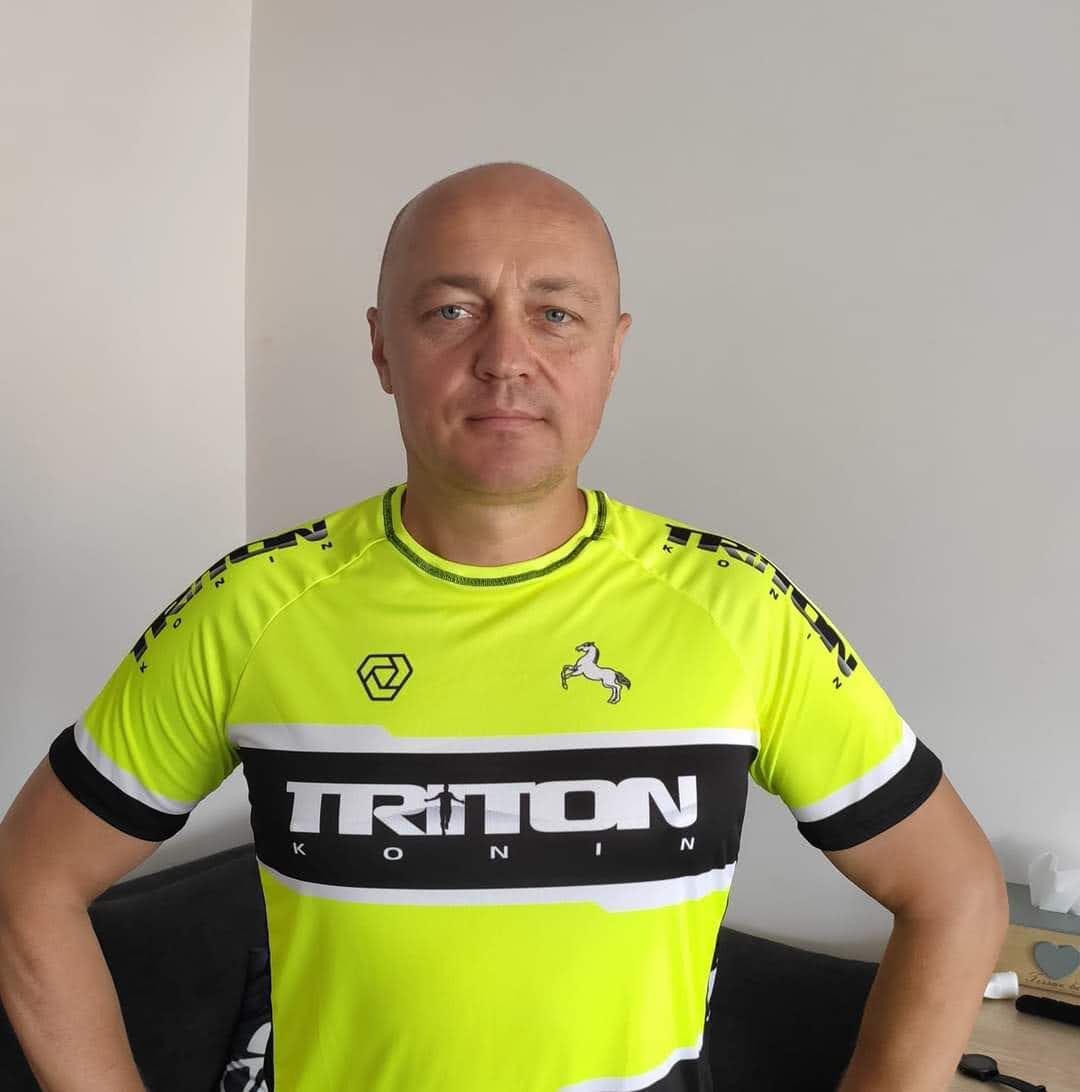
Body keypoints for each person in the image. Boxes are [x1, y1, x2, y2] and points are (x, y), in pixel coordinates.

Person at [0, 160, 1008, 1092]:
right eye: (452, 310)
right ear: (382, 347)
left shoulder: (739, 609)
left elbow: (956, 892)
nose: (505, 359)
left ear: (613, 352)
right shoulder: (250, 608)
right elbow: (26, 882)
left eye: (556, 314)